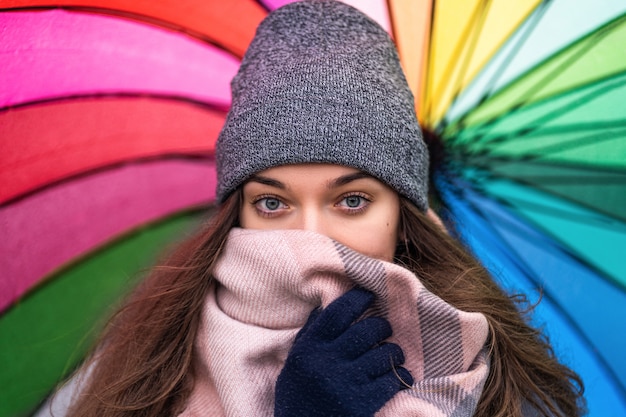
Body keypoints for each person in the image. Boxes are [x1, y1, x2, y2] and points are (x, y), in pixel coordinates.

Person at [56, 1, 585, 416]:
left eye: (351, 201)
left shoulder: (498, 387)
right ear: (237, 214)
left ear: (402, 216)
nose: (311, 238)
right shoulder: (149, 375)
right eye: (272, 203)